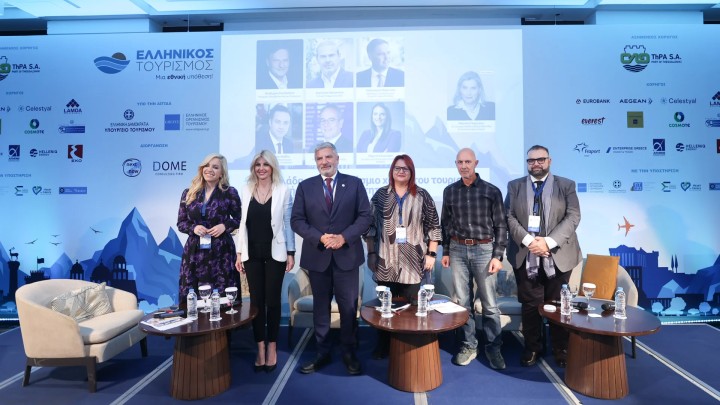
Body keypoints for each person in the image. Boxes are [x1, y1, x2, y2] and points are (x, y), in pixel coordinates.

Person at [291, 142, 372, 376]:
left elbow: (365, 217)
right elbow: (297, 220)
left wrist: (343, 237)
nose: (324, 162)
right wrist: (320, 237)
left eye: (328, 157)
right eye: (319, 158)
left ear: (337, 159)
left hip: (347, 257)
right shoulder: (305, 187)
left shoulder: (354, 183)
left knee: (348, 307)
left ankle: (349, 352)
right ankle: (322, 352)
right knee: (321, 308)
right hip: (318, 257)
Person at [505, 145, 582, 368]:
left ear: (549, 161)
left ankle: (561, 348)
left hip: (558, 255)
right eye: (531, 161)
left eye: (540, 159)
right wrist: (530, 242)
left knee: (557, 304)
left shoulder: (566, 185)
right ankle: (533, 347)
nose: (535, 164)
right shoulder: (515, 186)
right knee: (530, 306)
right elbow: (508, 216)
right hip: (525, 254)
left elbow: (573, 216)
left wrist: (547, 242)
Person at [364, 154, 441, 359]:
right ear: (392, 171)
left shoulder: (422, 195)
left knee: (411, 310)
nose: (400, 171)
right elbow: (370, 228)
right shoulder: (380, 196)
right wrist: (371, 253)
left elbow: (434, 226)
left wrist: (431, 253)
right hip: (385, 261)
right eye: (397, 168)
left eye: (405, 168)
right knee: (384, 307)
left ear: (411, 172)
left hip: (413, 264)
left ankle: (409, 349)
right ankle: (383, 345)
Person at [440, 148, 507, 370]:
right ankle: (469, 345)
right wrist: (446, 251)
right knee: (462, 302)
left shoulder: (491, 191)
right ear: (456, 164)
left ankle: (493, 347)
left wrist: (498, 255)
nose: (464, 166)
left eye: (468, 161)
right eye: (460, 162)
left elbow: (501, 226)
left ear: (476, 163)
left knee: (490, 304)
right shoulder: (450, 191)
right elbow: (445, 224)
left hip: (484, 250)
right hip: (457, 250)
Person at [234, 150, 295, 373]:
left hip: (276, 252)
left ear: (272, 167)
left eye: (265, 164)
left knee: (273, 301)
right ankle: (260, 347)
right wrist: (239, 253)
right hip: (251, 253)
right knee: (256, 303)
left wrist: (291, 252)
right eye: (257, 164)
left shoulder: (283, 190)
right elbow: (242, 224)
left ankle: (272, 347)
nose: (261, 168)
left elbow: (288, 223)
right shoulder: (246, 189)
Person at [177, 153, 241, 303]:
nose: (209, 169)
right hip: (195, 252)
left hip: (222, 252)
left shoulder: (230, 193)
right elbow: (181, 222)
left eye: (215, 167)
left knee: (223, 296)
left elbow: (240, 219)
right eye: (206, 165)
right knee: (193, 296)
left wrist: (224, 226)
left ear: (221, 173)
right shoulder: (189, 193)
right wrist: (194, 228)